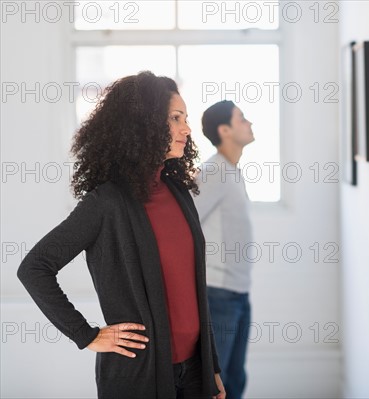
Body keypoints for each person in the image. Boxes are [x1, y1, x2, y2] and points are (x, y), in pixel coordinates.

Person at [17, 71, 225, 399]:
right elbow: (34, 267)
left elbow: (194, 288)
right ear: (142, 124)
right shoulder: (106, 202)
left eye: (185, 118)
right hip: (138, 376)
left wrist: (211, 367)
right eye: (175, 118)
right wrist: (86, 335)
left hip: (196, 374)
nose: (186, 129)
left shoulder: (179, 192)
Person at [193, 101, 254, 399]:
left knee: (235, 378)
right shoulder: (213, 171)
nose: (250, 123)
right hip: (218, 293)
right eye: (242, 119)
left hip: (237, 292)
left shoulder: (232, 171)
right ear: (224, 130)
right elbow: (185, 222)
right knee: (219, 385)